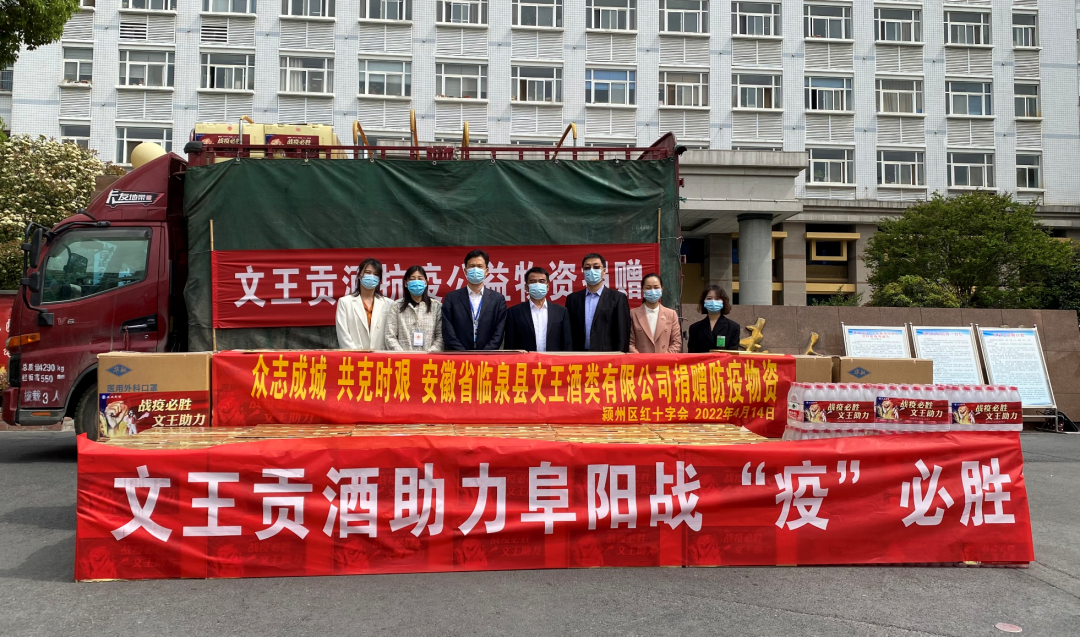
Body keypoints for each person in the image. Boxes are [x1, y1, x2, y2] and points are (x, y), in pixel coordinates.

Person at [441, 249, 508, 350]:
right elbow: (448, 332)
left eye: (480, 266)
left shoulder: (498, 299)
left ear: (486, 271)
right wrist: (464, 354)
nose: (475, 270)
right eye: (472, 266)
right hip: (459, 356)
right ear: (465, 271)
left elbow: (499, 334)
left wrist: (483, 355)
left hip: (488, 357)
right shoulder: (451, 298)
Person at [565, 253, 631, 352]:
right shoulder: (572, 299)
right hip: (578, 355)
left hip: (606, 356)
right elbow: (568, 332)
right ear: (583, 272)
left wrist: (620, 355)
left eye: (596, 267)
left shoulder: (617, 298)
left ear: (604, 271)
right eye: (587, 268)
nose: (591, 270)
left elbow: (622, 333)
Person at [504, 266, 572, 352]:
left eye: (541, 281)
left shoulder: (561, 312)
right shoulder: (514, 312)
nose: (537, 285)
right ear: (526, 287)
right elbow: (509, 345)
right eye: (533, 282)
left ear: (547, 287)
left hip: (553, 360)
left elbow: (567, 343)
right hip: (525, 360)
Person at [336, 258, 393, 350]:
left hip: (381, 356)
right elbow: (343, 335)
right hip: (354, 355)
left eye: (376, 274)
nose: (371, 277)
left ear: (379, 279)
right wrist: (356, 355)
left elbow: (391, 334)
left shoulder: (389, 303)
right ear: (360, 275)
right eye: (368, 272)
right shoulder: (345, 302)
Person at [385, 265, 444, 351]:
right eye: (412, 279)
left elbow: (441, 336)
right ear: (406, 283)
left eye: (420, 279)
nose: (416, 282)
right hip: (403, 358)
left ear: (426, 283)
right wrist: (403, 355)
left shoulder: (436, 306)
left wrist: (429, 353)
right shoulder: (396, 306)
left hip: (430, 357)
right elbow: (390, 336)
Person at [629, 272, 682, 353]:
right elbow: (630, 343)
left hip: (664, 360)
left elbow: (676, 342)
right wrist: (641, 358)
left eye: (656, 287)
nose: (652, 291)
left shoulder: (671, 314)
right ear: (643, 290)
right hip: (641, 360)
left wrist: (663, 358)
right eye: (648, 288)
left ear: (662, 289)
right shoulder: (633, 314)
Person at [687, 285, 740, 353]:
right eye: (709, 298)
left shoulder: (733, 327)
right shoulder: (695, 328)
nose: (713, 302)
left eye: (717, 298)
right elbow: (692, 354)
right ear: (704, 302)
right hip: (702, 360)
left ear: (723, 301)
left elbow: (732, 353)